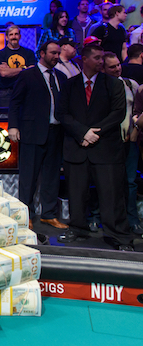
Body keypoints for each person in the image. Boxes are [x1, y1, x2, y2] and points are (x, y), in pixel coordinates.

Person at [57, 45, 134, 251]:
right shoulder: (69, 85)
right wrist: (82, 133)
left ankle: (118, 235)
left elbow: (118, 114)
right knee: (76, 193)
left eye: (102, 58)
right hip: (77, 148)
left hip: (106, 150)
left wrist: (93, 134)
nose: (101, 62)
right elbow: (62, 113)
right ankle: (77, 228)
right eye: (97, 58)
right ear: (84, 60)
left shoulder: (113, 84)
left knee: (111, 195)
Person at [9, 41, 67, 231]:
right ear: (42, 53)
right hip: (32, 132)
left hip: (56, 132)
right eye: (52, 53)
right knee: (29, 177)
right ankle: (27, 215)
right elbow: (15, 102)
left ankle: (49, 214)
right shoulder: (28, 75)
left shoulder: (61, 76)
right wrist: (13, 126)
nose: (56, 56)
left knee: (51, 176)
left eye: (58, 53)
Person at [102, 52, 143, 235]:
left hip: (129, 140)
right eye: (112, 67)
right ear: (103, 69)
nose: (117, 68)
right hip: (108, 141)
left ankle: (132, 219)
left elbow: (136, 111)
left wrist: (134, 131)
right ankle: (99, 218)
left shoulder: (130, 84)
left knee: (130, 182)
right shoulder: (101, 87)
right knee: (105, 181)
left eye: (118, 65)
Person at [0, 25, 37, 107]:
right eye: (11, 34)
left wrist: (10, 70)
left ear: (20, 36)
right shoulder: (0, 54)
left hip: (25, 91)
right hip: (6, 93)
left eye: (16, 34)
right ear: (6, 37)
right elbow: (3, 73)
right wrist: (24, 68)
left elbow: (31, 72)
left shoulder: (29, 53)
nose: (14, 37)